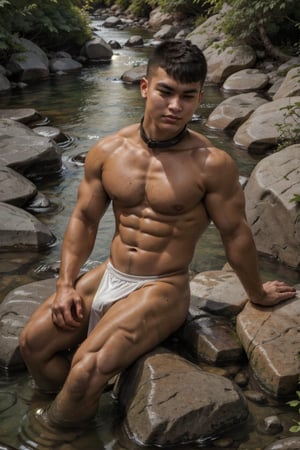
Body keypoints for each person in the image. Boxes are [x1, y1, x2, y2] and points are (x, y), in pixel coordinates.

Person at [19, 39, 296, 431]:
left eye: (187, 96)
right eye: (165, 91)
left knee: (86, 370)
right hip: (111, 273)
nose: (175, 106)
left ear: (200, 97)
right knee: (33, 345)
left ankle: (51, 435)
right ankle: (81, 405)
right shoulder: (108, 150)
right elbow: (83, 219)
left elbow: (236, 235)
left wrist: (257, 293)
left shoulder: (210, 164)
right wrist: (65, 284)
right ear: (145, 86)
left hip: (163, 285)